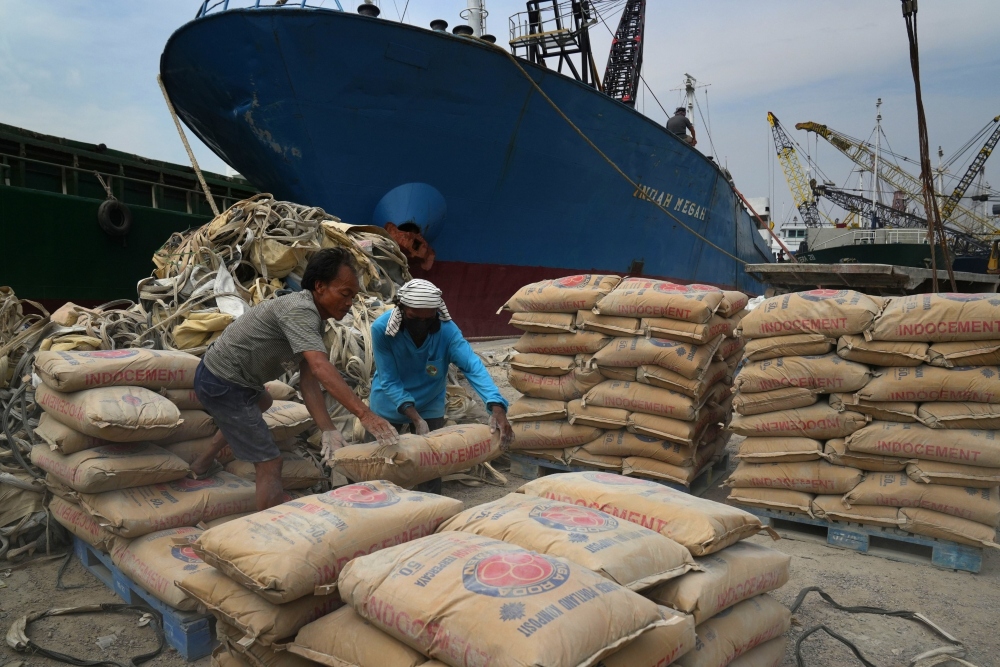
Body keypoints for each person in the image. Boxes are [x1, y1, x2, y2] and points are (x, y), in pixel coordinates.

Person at [190, 247, 399, 510]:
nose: (349, 303)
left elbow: (309, 380)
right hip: (222, 382)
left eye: (353, 296)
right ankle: (270, 530)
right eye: (344, 294)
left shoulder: (313, 318)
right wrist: (365, 414)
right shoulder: (300, 311)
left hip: (236, 381)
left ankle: (202, 463)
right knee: (270, 462)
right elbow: (321, 368)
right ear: (320, 287)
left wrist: (328, 430)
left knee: (262, 403)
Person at [369, 279, 515, 450]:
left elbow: (472, 366)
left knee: (429, 466)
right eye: (414, 318)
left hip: (429, 404)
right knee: (377, 462)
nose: (421, 325)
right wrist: (416, 419)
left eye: (428, 319)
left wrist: (496, 405)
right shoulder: (382, 329)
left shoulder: (447, 331)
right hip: (388, 404)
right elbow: (389, 380)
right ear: (400, 307)